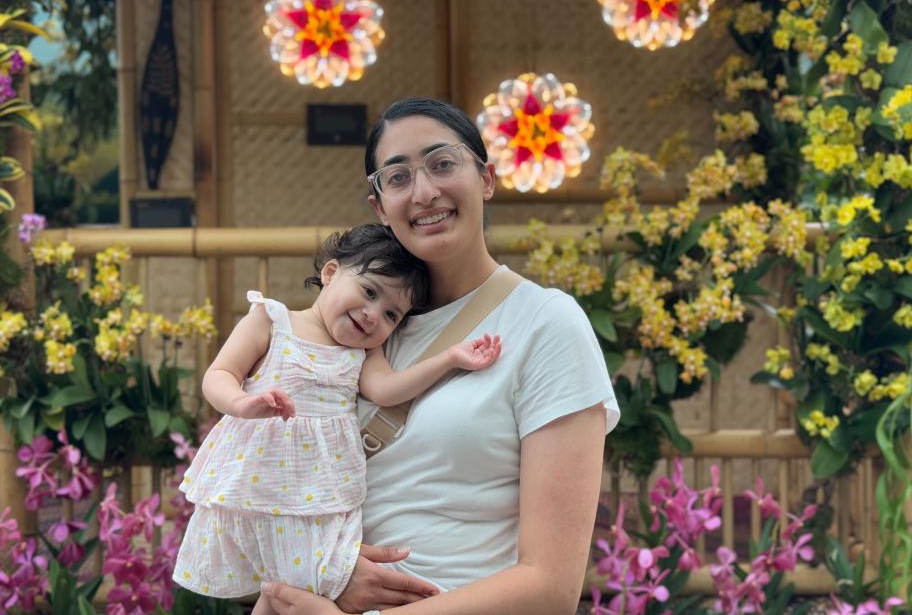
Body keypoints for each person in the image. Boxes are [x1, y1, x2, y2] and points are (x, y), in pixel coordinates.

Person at [259, 98, 620, 615]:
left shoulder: (546, 324)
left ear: (487, 180)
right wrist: (326, 567)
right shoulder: (361, 332)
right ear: (380, 207)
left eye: (443, 164)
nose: (424, 192)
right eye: (398, 177)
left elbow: (551, 587)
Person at [173, 224, 503, 614]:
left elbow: (388, 390)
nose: (372, 315)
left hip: (324, 493)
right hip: (262, 481)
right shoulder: (272, 321)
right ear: (330, 274)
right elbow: (218, 375)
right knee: (279, 586)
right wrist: (243, 403)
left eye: (391, 314)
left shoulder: (362, 353)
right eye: (368, 292)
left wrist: (450, 359)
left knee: (297, 589)